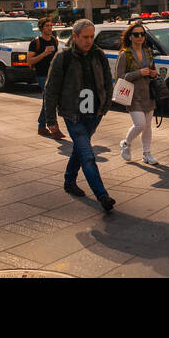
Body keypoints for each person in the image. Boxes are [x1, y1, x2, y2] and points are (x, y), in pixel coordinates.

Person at [44, 19, 115, 212]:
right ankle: (103, 196)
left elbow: (108, 81)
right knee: (87, 154)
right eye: (85, 37)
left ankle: (69, 181)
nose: (89, 41)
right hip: (73, 114)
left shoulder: (98, 54)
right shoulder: (63, 57)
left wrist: (106, 105)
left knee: (79, 149)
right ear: (75, 37)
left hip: (94, 113)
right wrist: (51, 121)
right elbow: (50, 90)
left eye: (92, 36)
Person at [116, 21, 160, 165]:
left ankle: (147, 153)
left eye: (142, 34)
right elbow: (120, 77)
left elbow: (153, 70)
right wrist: (138, 73)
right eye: (136, 34)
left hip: (148, 93)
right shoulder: (125, 54)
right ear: (130, 37)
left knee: (147, 126)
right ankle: (126, 143)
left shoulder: (148, 52)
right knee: (140, 124)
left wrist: (153, 73)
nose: (140, 37)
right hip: (133, 95)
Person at [29, 16, 65, 139]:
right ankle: (52, 127)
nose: (50, 28)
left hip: (54, 74)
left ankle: (41, 126)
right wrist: (44, 53)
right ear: (41, 28)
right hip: (42, 75)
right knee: (51, 100)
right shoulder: (35, 42)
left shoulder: (54, 40)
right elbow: (30, 61)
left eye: (51, 25)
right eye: (47, 26)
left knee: (48, 100)